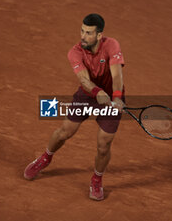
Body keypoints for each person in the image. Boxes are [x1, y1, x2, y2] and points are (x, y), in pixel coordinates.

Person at [24, 13, 125, 201]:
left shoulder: (112, 45)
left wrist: (117, 98)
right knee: (64, 132)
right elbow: (84, 81)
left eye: (88, 33)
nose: (83, 36)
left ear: (99, 35)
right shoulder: (75, 52)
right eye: (82, 31)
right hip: (87, 97)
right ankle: (45, 158)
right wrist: (98, 93)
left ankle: (97, 179)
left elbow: (117, 76)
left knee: (104, 146)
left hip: (111, 97)